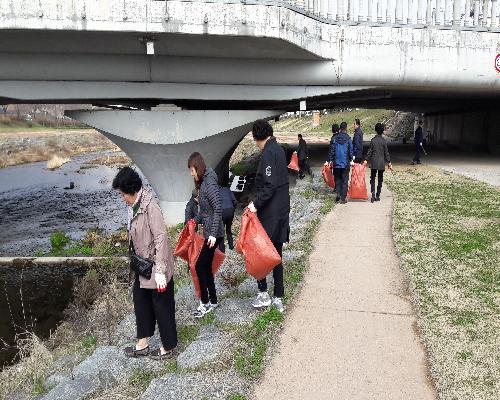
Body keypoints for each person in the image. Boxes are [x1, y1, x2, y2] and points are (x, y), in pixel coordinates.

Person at [113, 167, 177, 360]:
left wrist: (160, 270)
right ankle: (143, 343)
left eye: (123, 194)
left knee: (162, 306)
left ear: (131, 190)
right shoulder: (133, 206)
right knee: (140, 302)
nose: (122, 198)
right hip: (142, 267)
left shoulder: (150, 206)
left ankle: (168, 347)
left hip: (156, 266)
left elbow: (161, 237)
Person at [248, 119, 290, 313]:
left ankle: (263, 294)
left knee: (262, 253)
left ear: (258, 137)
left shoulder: (268, 153)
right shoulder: (279, 150)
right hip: (281, 210)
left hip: (270, 214)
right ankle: (278, 295)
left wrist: (255, 205)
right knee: (277, 255)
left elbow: (269, 185)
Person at [188, 152, 224, 318]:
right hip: (210, 231)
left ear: (198, 167)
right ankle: (213, 300)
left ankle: (205, 303)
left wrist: (213, 235)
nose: (191, 173)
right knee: (206, 267)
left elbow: (217, 208)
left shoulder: (209, 182)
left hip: (213, 234)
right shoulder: (203, 183)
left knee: (199, 266)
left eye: (192, 170)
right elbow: (205, 212)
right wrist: (194, 221)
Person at [364, 123, 393, 203]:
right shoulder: (384, 141)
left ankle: (372, 194)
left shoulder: (373, 140)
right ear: (382, 131)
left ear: (376, 130)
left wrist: (366, 160)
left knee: (372, 178)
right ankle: (378, 195)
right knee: (380, 179)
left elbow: (370, 152)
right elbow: (386, 153)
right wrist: (389, 162)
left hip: (373, 162)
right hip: (381, 163)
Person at [329, 121, 354, 204]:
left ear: (340, 129)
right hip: (345, 164)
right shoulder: (348, 139)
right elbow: (351, 151)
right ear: (346, 128)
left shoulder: (335, 138)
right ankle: (343, 198)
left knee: (337, 179)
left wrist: (331, 160)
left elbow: (332, 151)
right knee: (345, 180)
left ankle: (338, 194)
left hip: (336, 163)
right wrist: (351, 159)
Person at [219, 185, 237, 252]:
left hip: (222, 211)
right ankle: (231, 247)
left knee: (221, 231)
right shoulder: (227, 189)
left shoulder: (216, 191)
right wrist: (233, 210)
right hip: (230, 210)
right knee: (228, 229)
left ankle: (222, 250)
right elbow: (235, 201)